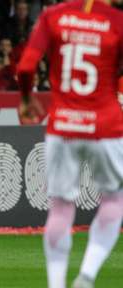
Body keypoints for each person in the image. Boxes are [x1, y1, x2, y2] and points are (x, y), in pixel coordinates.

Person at [17, 1, 123, 288]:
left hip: (63, 124)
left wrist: (27, 99)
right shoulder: (116, 20)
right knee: (114, 199)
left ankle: (56, 284)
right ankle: (87, 275)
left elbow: (26, 66)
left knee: (61, 207)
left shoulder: (53, 15)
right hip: (106, 125)